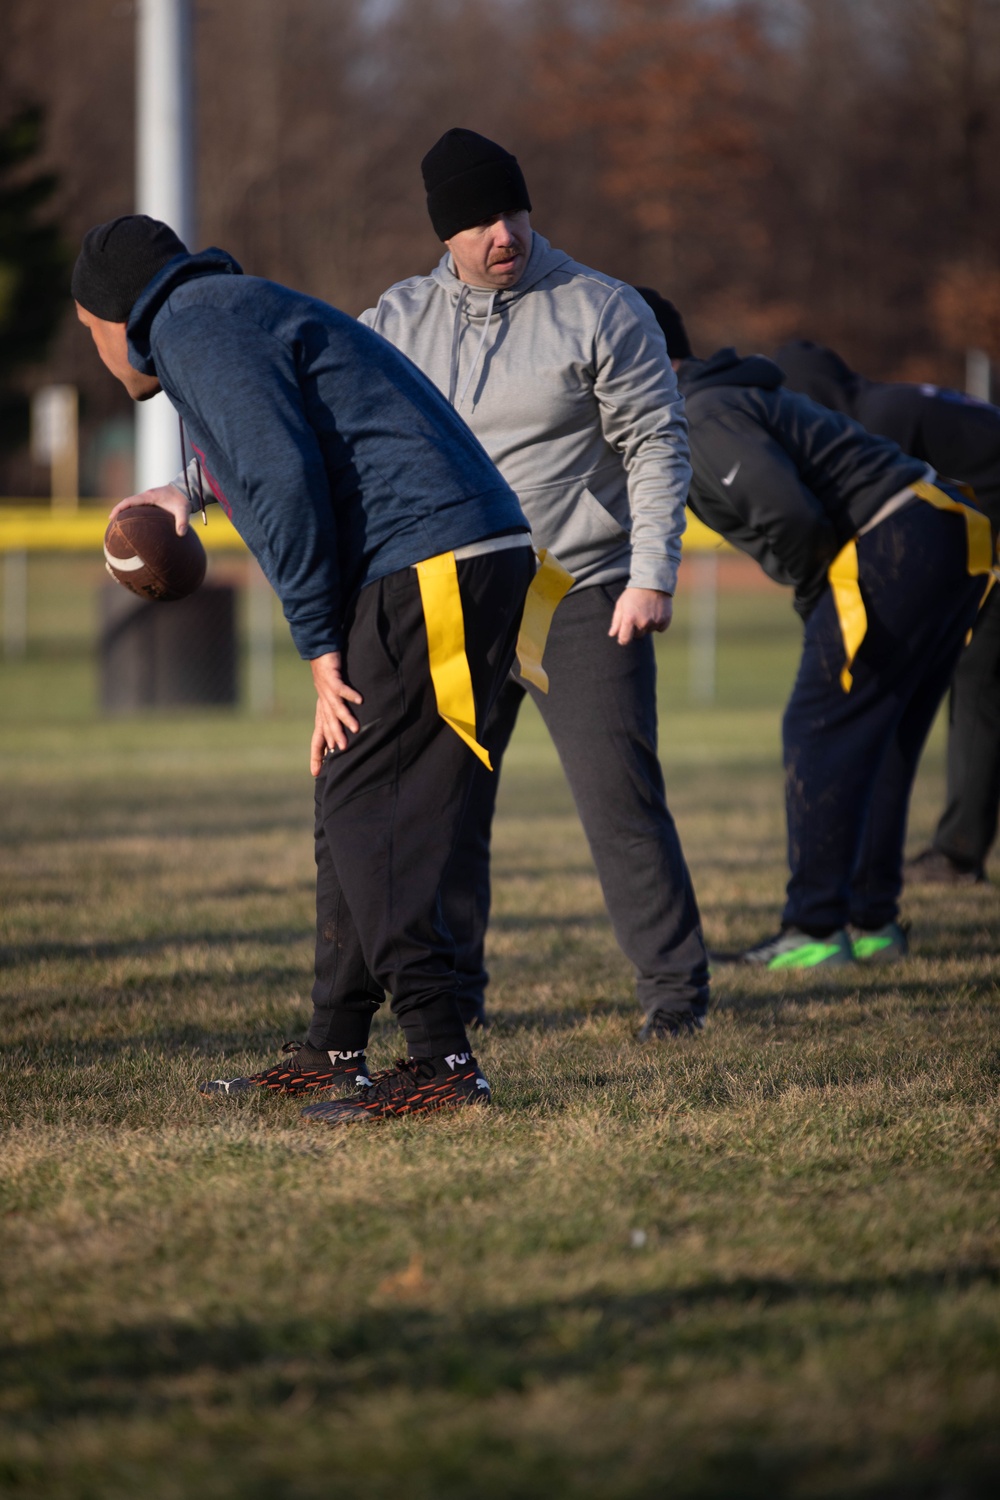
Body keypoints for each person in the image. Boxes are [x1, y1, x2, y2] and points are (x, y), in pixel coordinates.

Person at [73, 213, 534, 1125]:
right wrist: (190, 487)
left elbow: (284, 477)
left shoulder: (187, 326)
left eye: (88, 333)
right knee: (350, 793)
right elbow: (302, 427)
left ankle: (443, 1061)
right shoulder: (225, 308)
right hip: (445, 552)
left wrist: (319, 645)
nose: (95, 352)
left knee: (376, 810)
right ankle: (335, 1047)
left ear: (117, 315)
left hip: (430, 561)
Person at [360, 128, 709, 1039]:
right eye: (476, 222)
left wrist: (652, 572)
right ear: (444, 233)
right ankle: (456, 1001)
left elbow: (657, 444)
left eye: (510, 210)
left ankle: (675, 1000)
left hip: (582, 593)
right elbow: (307, 419)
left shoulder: (601, 307)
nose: (501, 233)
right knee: (449, 810)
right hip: (459, 598)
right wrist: (190, 487)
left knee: (619, 801)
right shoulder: (395, 321)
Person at [639, 292, 994, 968]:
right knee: (876, 735)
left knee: (818, 729)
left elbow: (789, 514)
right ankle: (871, 924)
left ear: (646, 356)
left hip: (896, 540)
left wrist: (814, 592)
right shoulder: (717, 401)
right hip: (945, 533)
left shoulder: (700, 413)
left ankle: (814, 929)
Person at [774, 338, 1000, 886]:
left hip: (988, 548)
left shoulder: (874, 423)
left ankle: (957, 853)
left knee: (978, 688)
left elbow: (880, 532)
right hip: (980, 542)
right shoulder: (891, 401)